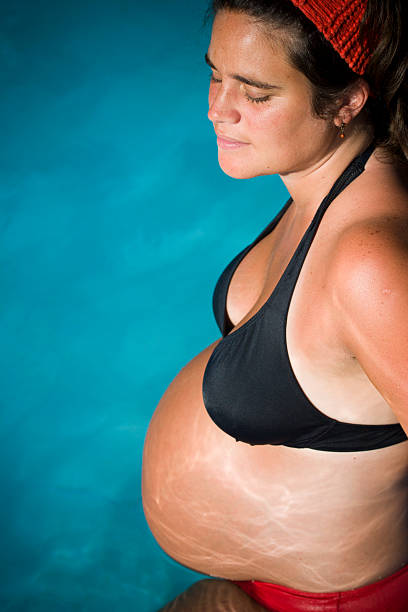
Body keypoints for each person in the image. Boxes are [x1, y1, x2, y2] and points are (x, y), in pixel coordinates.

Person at [142, 1, 408, 610]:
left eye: (255, 94)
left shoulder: (370, 265)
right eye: (215, 74)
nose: (217, 109)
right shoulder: (320, 184)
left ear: (345, 103)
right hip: (260, 585)